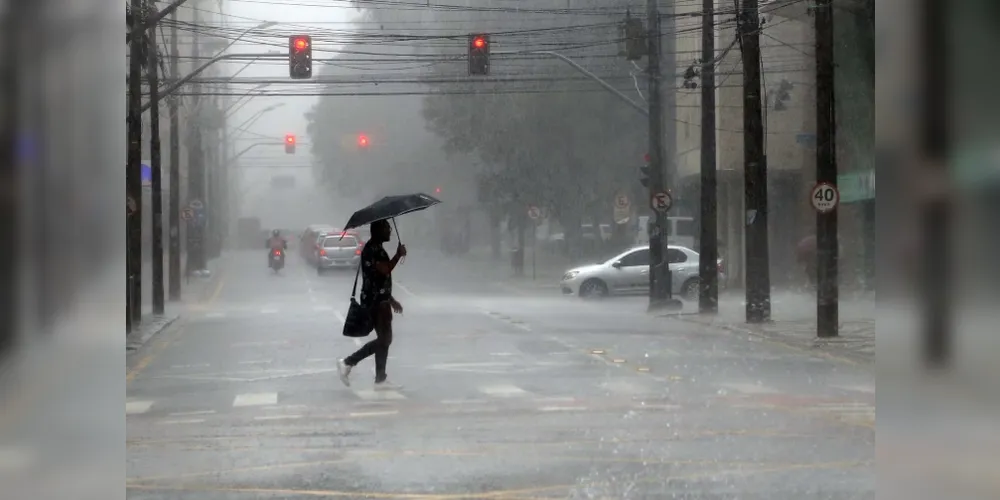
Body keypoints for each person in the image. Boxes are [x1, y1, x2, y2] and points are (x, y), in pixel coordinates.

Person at [338, 219, 406, 389]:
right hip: (375, 302)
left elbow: (380, 279)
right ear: (377, 231)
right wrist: (398, 255)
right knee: (385, 339)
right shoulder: (371, 250)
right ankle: (348, 362)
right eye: (386, 228)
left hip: (381, 300)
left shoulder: (377, 248)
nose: (390, 230)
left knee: (385, 339)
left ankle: (380, 379)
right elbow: (384, 269)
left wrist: (391, 300)